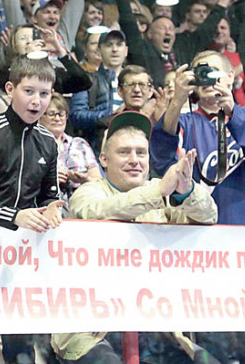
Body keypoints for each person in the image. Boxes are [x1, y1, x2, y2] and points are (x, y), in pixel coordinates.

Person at [52, 111, 218, 364]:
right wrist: (159, 191)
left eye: (141, 153)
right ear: (103, 159)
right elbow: (97, 212)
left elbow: (209, 216)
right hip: (94, 327)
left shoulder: (162, 192)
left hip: (154, 323)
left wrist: (187, 191)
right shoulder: (88, 192)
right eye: (124, 152)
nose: (134, 160)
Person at [152, 50, 245, 227]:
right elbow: (161, 160)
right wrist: (177, 99)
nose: (206, 78)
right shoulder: (184, 122)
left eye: (213, 71)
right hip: (207, 232)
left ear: (230, 77)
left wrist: (234, 113)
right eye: (200, 73)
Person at [0, 55, 63, 232]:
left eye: (44, 94)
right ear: (10, 90)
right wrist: (13, 216)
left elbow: (49, 196)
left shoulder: (48, 141)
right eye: (28, 91)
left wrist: (51, 208)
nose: (36, 101)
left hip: (26, 237)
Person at [40, 93, 101, 204]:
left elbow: (99, 183)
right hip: (45, 205)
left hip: (81, 206)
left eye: (61, 114)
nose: (57, 118)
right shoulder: (33, 145)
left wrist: (85, 179)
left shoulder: (80, 144)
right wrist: (50, 179)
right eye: (51, 114)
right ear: (40, 117)